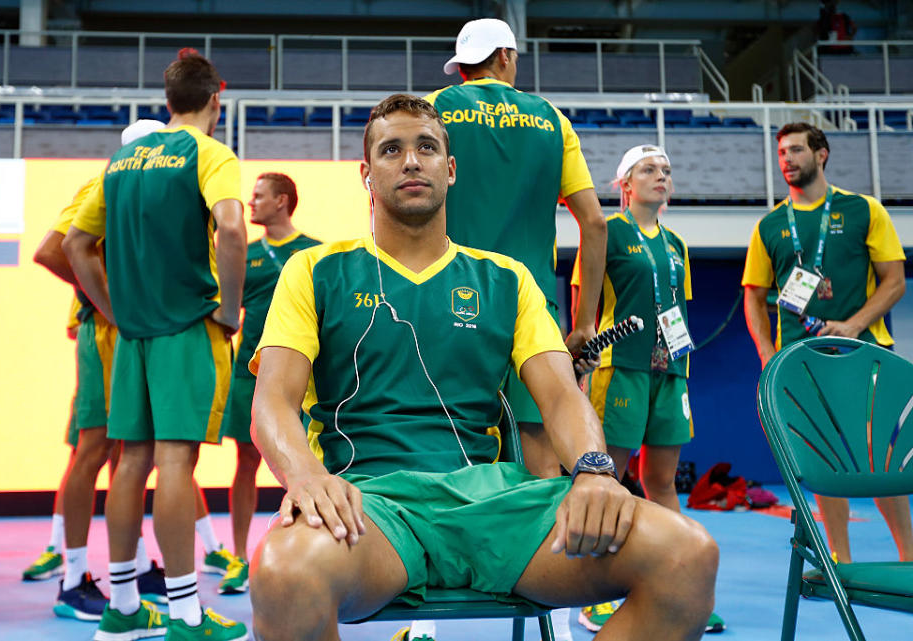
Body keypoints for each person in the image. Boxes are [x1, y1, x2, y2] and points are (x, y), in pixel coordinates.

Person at [246, 93, 718, 641]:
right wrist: (306, 478)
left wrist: (593, 469)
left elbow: (562, 395)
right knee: (281, 573)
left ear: (450, 170)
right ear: (366, 174)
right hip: (369, 505)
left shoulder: (506, 278)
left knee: (688, 554)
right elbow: (272, 401)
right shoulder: (316, 270)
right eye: (391, 149)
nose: (411, 161)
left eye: (426, 147)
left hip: (495, 502)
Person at [423, 22, 607, 638]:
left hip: (449, 302)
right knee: (541, 462)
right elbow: (594, 223)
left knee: (440, 453)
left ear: (472, 64)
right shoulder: (553, 120)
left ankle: (421, 620)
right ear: (508, 57)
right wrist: (583, 323)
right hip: (531, 309)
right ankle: (552, 605)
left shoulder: (438, 109)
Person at [64, 50, 248, 641]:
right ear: (214, 103)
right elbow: (233, 227)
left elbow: (73, 243)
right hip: (182, 329)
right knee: (175, 464)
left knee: (130, 463)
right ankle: (187, 616)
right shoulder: (209, 152)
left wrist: (111, 309)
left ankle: (121, 607)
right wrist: (228, 308)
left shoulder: (120, 161)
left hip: (134, 334)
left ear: (168, 101)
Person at [743, 121, 912, 565]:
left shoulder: (865, 210)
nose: (787, 160)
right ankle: (840, 561)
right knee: (823, 459)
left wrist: (854, 324)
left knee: (879, 457)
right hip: (799, 363)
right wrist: (767, 355)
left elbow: (894, 282)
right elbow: (754, 297)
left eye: (796, 150)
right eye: (781, 153)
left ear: (822, 154)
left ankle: (910, 556)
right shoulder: (769, 225)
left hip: (864, 355)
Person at [569, 145, 722, 633]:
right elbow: (583, 300)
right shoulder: (607, 232)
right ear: (624, 185)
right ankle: (591, 593)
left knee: (661, 481)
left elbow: (676, 309)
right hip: (622, 367)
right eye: (649, 170)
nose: (661, 176)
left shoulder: (676, 244)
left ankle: (682, 590)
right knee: (608, 481)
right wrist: (582, 349)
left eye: (667, 171)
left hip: (671, 368)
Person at [28, 120, 174, 620]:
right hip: (107, 334)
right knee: (95, 447)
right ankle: (71, 580)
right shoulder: (104, 183)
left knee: (129, 451)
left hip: (130, 333)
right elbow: (51, 250)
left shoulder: (137, 190)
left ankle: (129, 565)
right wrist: (108, 303)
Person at [215, 172, 320, 594]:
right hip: (249, 374)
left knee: (309, 465)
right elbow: (225, 309)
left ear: (282, 201)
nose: (250, 203)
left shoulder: (315, 253)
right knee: (244, 465)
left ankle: (307, 549)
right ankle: (239, 558)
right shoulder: (242, 255)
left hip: (305, 379)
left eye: (258, 197)